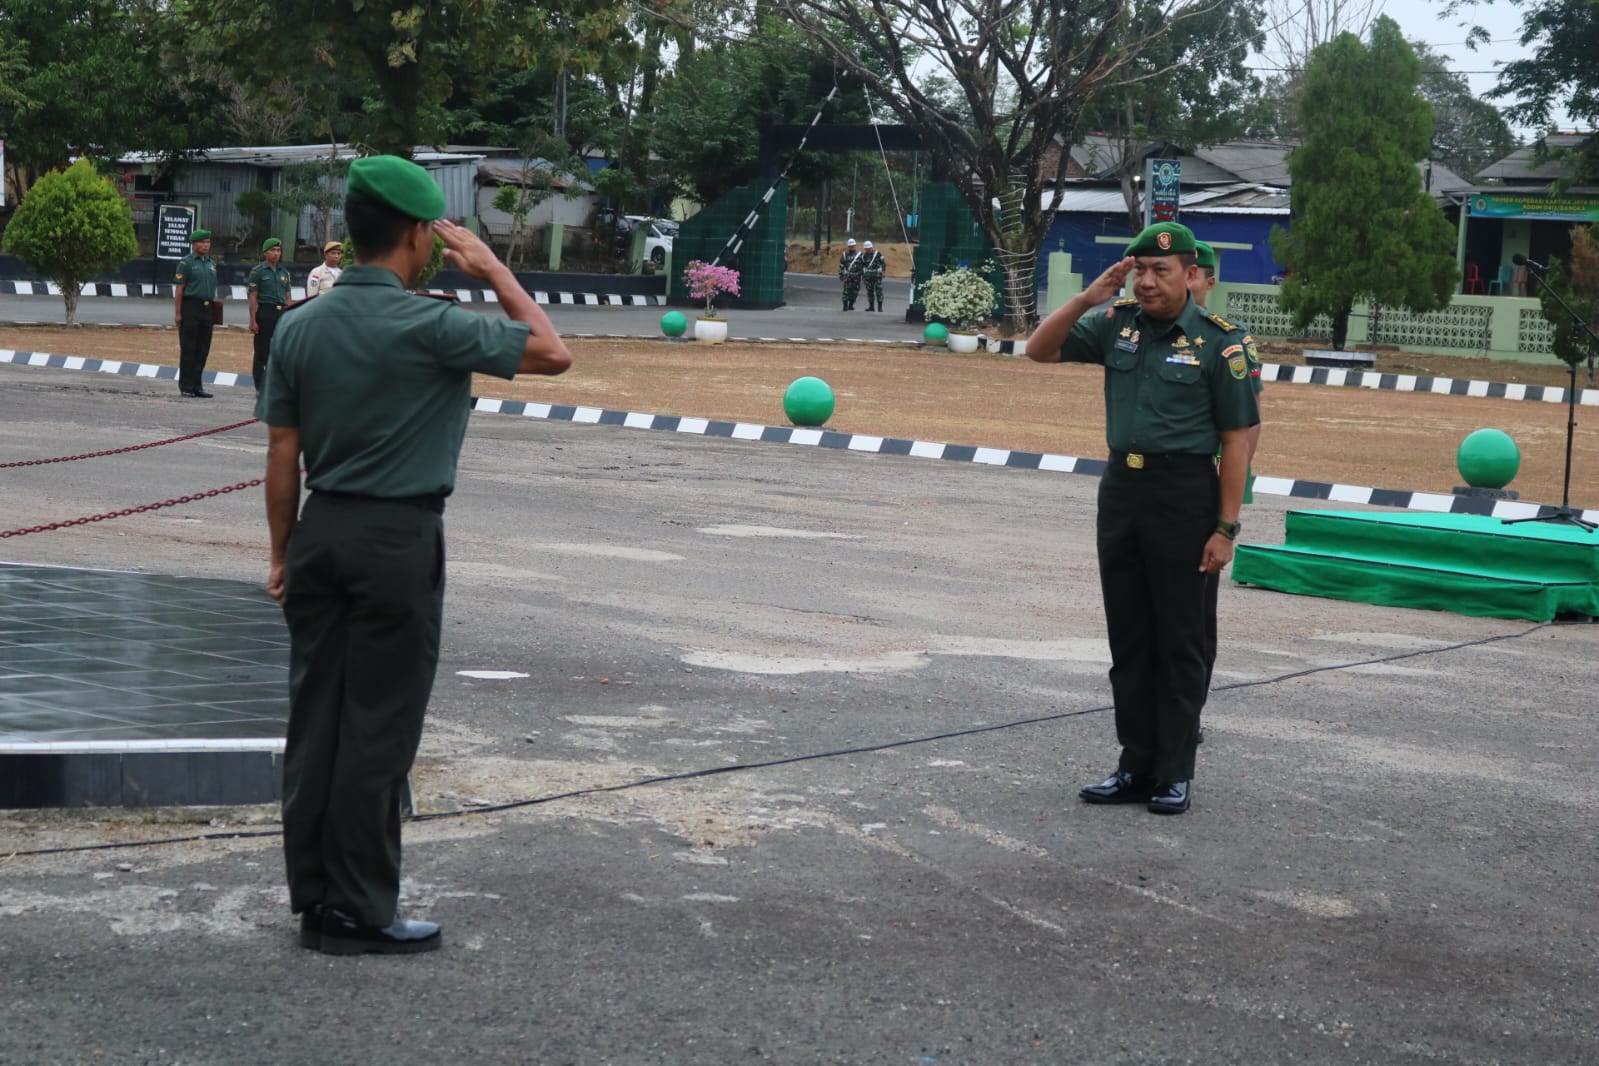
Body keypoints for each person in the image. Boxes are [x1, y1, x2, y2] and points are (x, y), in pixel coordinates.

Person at [261, 155, 572, 955]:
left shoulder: (298, 324)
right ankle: (361, 911)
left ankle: (315, 900)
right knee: (377, 727)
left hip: (320, 531)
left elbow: (281, 456)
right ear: (413, 236)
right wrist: (495, 266)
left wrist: (280, 553)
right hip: (395, 541)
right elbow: (550, 352)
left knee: (316, 722)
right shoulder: (431, 324)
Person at [1025, 221, 1258, 815]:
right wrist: (1086, 298)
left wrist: (1225, 527)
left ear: (1191, 275)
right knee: (1129, 637)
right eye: (1140, 271)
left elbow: (1237, 441)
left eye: (1162, 271)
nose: (1149, 282)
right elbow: (1038, 349)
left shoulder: (1220, 343)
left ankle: (1174, 771)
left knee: (1179, 638)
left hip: (1184, 494)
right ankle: (1134, 764)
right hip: (1122, 490)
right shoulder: (1115, 324)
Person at [173, 228, 219, 398]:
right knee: (189, 348)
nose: (206, 245)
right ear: (193, 244)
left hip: (207, 308)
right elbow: (179, 290)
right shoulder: (186, 263)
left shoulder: (211, 263)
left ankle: (197, 385)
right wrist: (178, 313)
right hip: (190, 307)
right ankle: (186, 386)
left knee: (203, 348)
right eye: (202, 242)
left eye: (208, 242)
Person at [246, 237, 291, 391]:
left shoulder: (283, 272)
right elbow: (253, 296)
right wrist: (253, 320)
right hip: (265, 312)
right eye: (272, 250)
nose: (276, 253)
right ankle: (260, 386)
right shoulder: (258, 271)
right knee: (262, 352)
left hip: (281, 313)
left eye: (278, 250)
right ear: (265, 253)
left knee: (279, 351)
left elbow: (287, 296)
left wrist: (289, 315)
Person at [838, 238, 865, 311]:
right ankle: (845, 305)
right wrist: (841, 275)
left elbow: (863, 266)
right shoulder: (844, 255)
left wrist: (863, 275)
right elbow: (841, 266)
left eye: (853, 246)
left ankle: (851, 304)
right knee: (846, 291)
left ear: (855, 245)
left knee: (855, 291)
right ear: (848, 246)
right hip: (848, 276)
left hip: (856, 276)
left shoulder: (860, 255)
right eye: (850, 246)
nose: (851, 247)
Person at [861, 240, 887, 312]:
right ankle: (871, 306)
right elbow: (862, 267)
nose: (868, 250)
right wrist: (863, 277)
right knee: (870, 292)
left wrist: (883, 271)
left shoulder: (877, 254)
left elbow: (883, 263)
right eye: (866, 248)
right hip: (868, 276)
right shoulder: (863, 256)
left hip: (877, 276)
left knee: (879, 291)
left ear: (871, 247)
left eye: (869, 248)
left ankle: (880, 307)